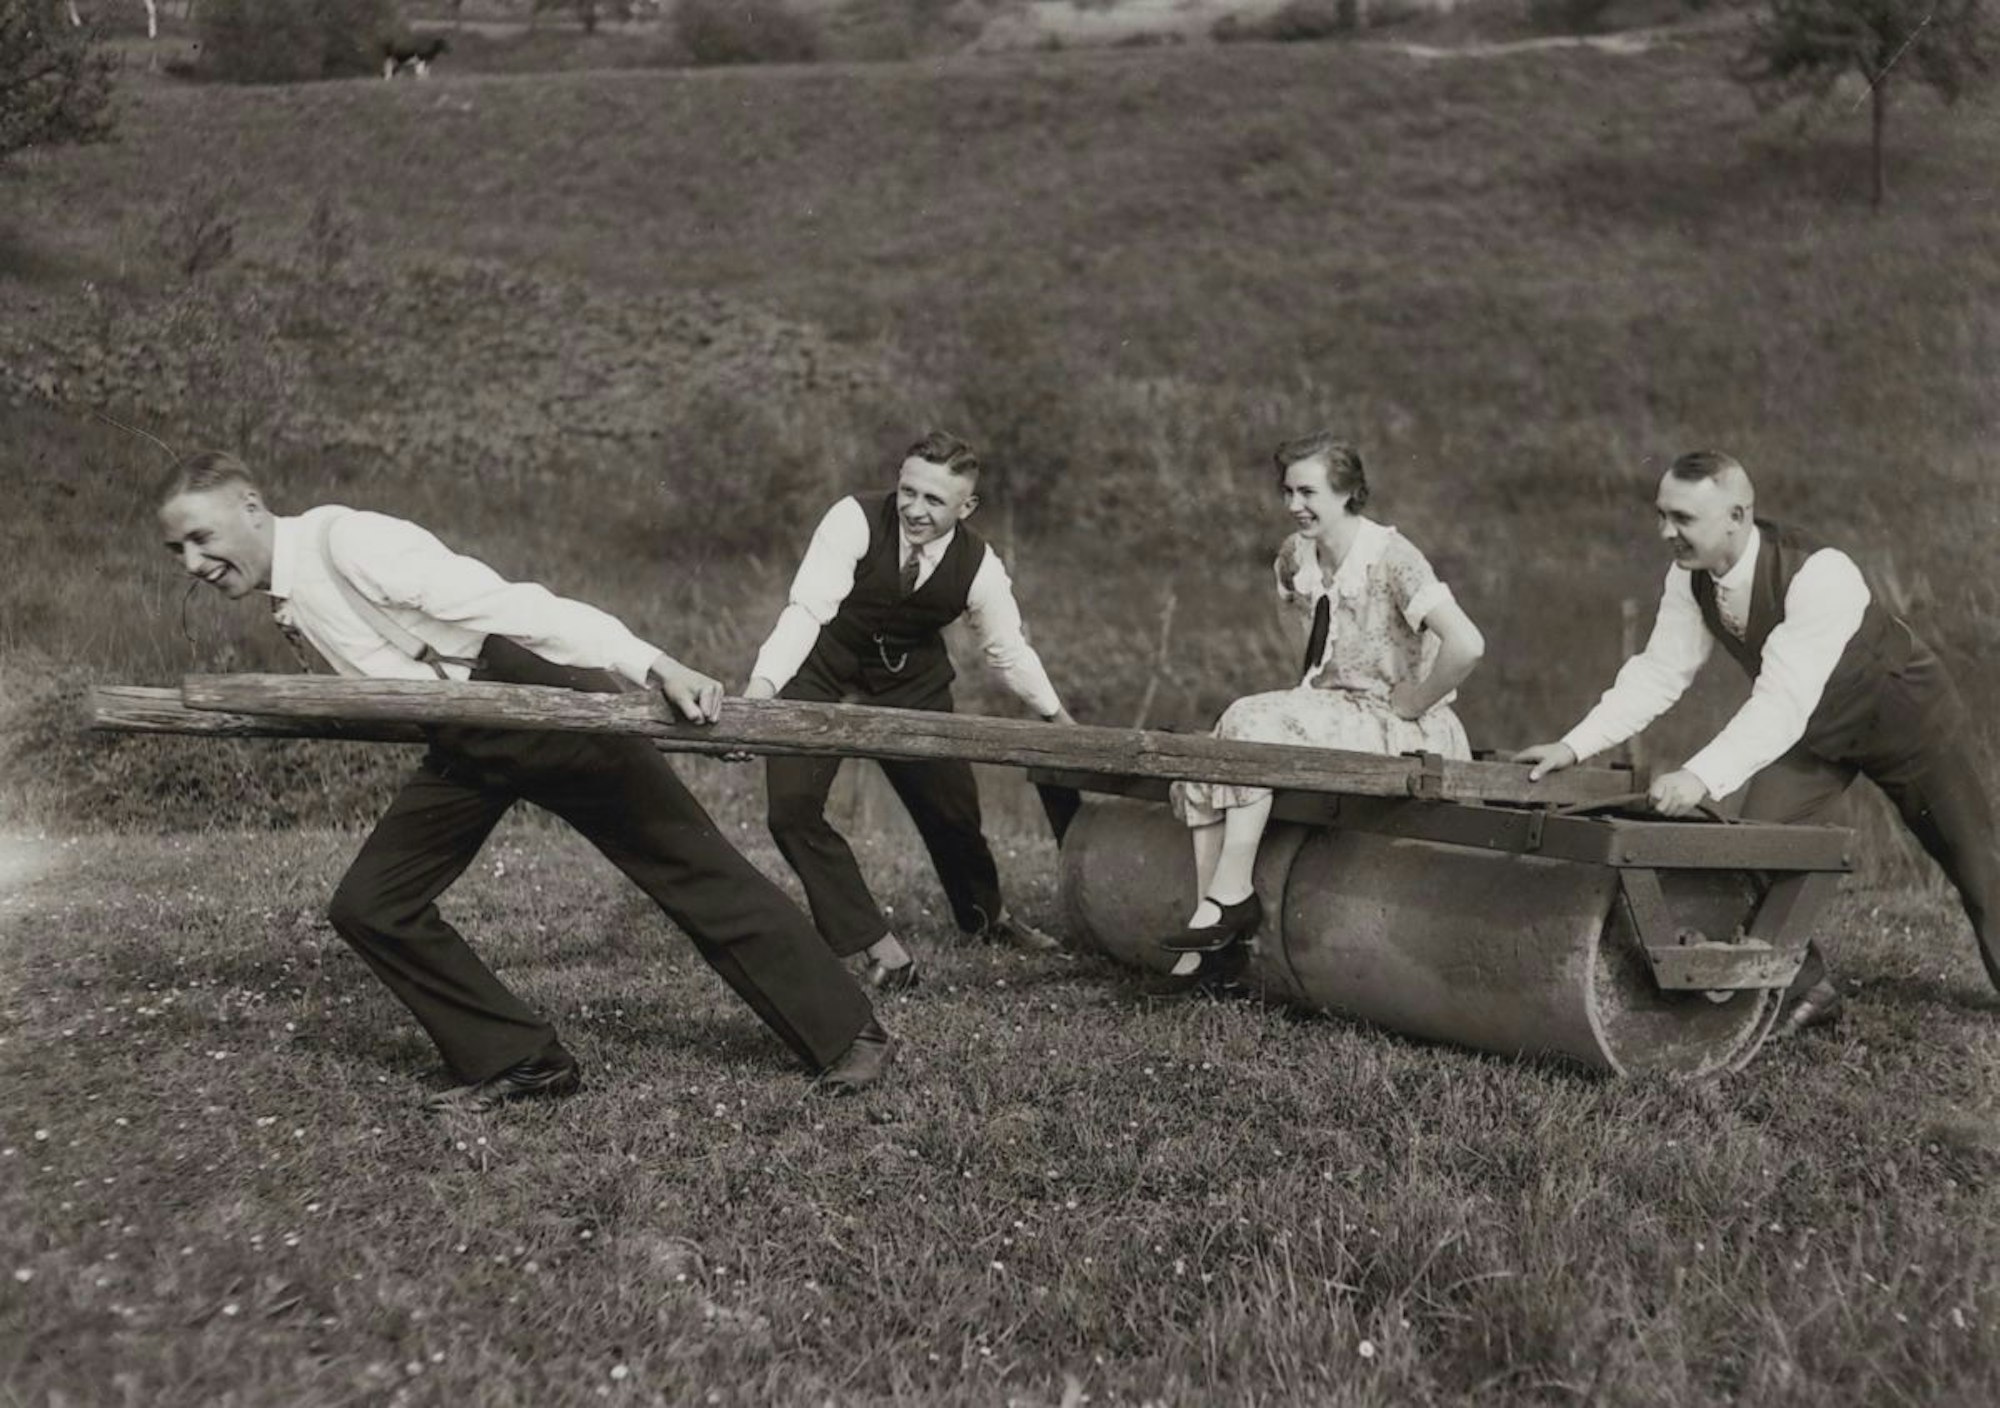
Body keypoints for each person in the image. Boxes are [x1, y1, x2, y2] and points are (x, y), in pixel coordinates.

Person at [155, 452, 896, 1109]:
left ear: (251, 507)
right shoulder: (289, 590)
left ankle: (847, 1035)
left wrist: (652, 664)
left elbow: (515, 605)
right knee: (371, 904)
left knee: (689, 868)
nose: (191, 562)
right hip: (463, 736)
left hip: (535, 705)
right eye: (177, 548)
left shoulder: (348, 542)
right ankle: (522, 1060)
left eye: (202, 538)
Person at [1514, 450, 2000, 1035]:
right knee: (1756, 849)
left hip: (1904, 714)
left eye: (1682, 519)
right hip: (1814, 733)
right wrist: (1572, 746)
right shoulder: (1688, 578)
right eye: (1661, 514)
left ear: (1737, 516)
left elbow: (1780, 703)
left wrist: (1699, 775)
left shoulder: (1821, 573)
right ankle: (1808, 988)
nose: (1665, 532)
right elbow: (1658, 674)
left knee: (1975, 860)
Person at [742, 431, 1076, 992]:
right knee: (791, 810)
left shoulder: (980, 565)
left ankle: (984, 918)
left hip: (909, 680)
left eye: (934, 501)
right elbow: (806, 610)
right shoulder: (851, 519)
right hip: (821, 668)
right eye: (908, 492)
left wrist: (1056, 717)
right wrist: (760, 692)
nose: (915, 510)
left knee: (951, 808)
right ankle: (881, 948)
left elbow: (1007, 650)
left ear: (966, 507)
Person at [1163, 434, 1485, 976]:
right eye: (1287, 492)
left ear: (1349, 493)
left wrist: (1415, 700)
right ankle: (1210, 935)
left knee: (1245, 719)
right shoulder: (1294, 557)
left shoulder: (1392, 558)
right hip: (1338, 713)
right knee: (1214, 751)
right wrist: (1309, 699)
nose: (1294, 506)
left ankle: (1231, 901)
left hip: (1401, 727)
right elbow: (1302, 641)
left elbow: (1468, 644)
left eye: (1308, 492)